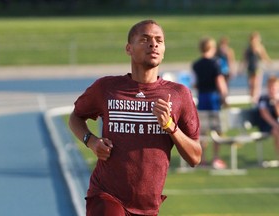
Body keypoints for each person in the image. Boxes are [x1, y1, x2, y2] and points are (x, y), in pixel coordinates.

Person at [68, 19, 202, 216]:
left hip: (148, 206)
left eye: (159, 40)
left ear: (164, 50)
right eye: (145, 39)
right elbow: (76, 117)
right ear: (128, 48)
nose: (153, 44)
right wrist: (91, 141)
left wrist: (171, 127)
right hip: (106, 195)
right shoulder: (107, 88)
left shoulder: (179, 94)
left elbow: (195, 157)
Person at [192, 37, 228, 169]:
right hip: (213, 99)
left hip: (202, 98)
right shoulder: (216, 63)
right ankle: (216, 158)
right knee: (216, 130)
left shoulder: (196, 65)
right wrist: (224, 96)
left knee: (202, 132)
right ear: (212, 48)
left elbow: (194, 83)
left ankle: (202, 158)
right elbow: (220, 82)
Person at [243, 31, 271, 104]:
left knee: (256, 84)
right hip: (250, 67)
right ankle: (252, 97)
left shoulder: (259, 47)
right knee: (251, 84)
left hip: (256, 67)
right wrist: (241, 67)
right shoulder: (248, 48)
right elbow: (244, 58)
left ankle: (255, 98)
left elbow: (263, 56)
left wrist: (268, 62)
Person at [258, 75, 279, 160]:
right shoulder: (263, 99)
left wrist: (276, 104)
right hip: (266, 125)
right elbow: (264, 114)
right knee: (277, 131)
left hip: (276, 124)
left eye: (274, 87)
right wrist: (276, 125)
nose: (272, 90)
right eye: (270, 87)